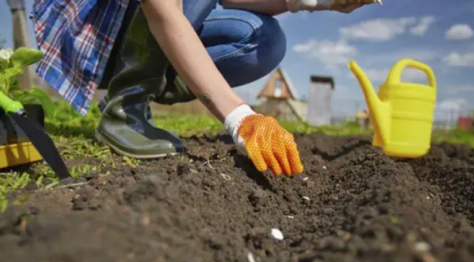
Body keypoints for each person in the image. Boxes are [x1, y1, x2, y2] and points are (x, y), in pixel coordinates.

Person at [31, 0, 374, 177]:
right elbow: (163, 10)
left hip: (146, 26)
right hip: (96, 41)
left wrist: (314, 1)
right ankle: (126, 109)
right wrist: (239, 117)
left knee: (265, 41)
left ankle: (159, 80)